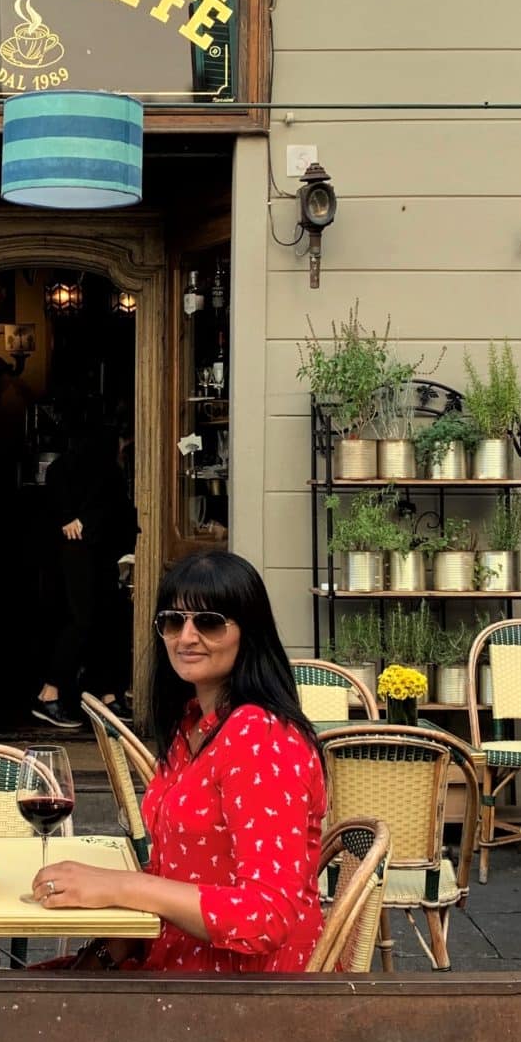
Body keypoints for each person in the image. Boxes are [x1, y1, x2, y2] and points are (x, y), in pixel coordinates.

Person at [31, 550, 326, 974]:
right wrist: (100, 955)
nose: (186, 637)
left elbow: (266, 916)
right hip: (175, 966)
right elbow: (179, 869)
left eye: (209, 622)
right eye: (173, 621)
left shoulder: (261, 739)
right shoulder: (195, 727)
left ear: (250, 633)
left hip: (239, 997)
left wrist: (120, 886)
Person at [32, 412, 138, 731]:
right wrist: (72, 519)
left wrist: (74, 519)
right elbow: (115, 512)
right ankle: (51, 693)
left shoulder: (70, 468)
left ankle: (104, 696)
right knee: (86, 621)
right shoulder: (106, 472)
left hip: (90, 556)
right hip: (85, 556)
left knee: (102, 621)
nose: (123, 449)